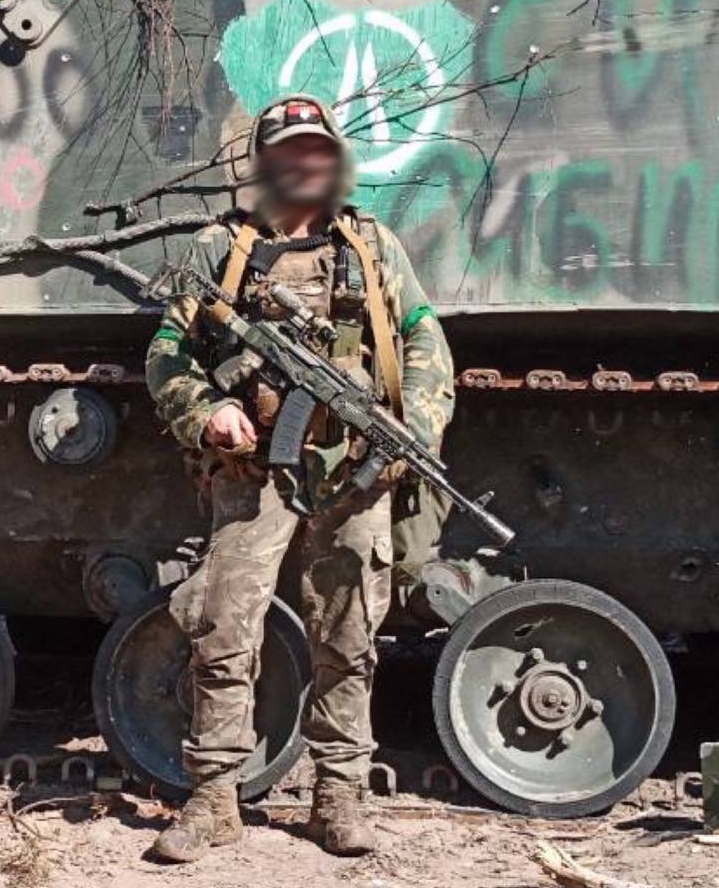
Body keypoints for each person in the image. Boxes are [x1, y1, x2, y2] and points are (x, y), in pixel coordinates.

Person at [143, 94, 455, 861]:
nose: (303, 164)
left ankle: (338, 795)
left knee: (349, 635)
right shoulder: (227, 248)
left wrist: (413, 422)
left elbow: (425, 338)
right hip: (254, 470)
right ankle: (214, 795)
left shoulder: (371, 246)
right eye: (288, 153)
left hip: (355, 469)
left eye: (316, 151)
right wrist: (207, 411)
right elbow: (165, 352)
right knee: (223, 626)